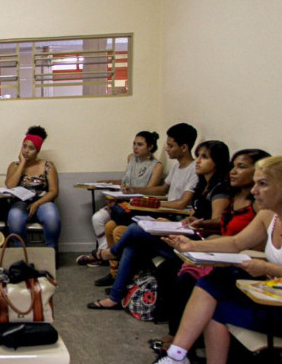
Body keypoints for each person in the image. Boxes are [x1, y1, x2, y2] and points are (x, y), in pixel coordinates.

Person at [135, 155, 282, 364]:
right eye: (256, 183)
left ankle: (187, 363)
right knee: (214, 283)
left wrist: (266, 267)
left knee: (217, 300)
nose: (255, 190)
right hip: (273, 299)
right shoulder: (268, 217)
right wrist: (191, 245)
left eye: (263, 184)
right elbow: (236, 242)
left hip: (281, 307)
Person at [87, 140, 231, 309]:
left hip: (195, 244)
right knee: (132, 245)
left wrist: (190, 224)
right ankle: (115, 298)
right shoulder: (203, 186)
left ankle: (111, 253)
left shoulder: (220, 189)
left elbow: (217, 222)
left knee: (134, 229)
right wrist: (174, 223)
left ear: (218, 162)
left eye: (204, 157)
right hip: (183, 232)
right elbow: (195, 214)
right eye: (198, 155)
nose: (198, 161)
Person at [159, 149, 271, 345]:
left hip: (244, 262)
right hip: (226, 252)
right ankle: (179, 342)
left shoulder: (262, 207)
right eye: (233, 166)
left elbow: (243, 241)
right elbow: (231, 232)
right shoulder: (233, 195)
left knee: (193, 281)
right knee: (170, 270)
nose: (234, 171)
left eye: (241, 167)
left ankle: (181, 343)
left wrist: (197, 243)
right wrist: (203, 226)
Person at [91, 123, 200, 288]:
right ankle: (114, 274)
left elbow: (182, 203)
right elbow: (163, 189)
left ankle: (125, 275)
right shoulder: (177, 167)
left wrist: (153, 205)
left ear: (184, 147)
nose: (166, 150)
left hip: (173, 217)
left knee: (120, 230)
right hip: (164, 212)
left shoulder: (193, 170)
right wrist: (136, 191)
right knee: (110, 225)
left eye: (170, 146)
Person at [76, 131, 163, 267]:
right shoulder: (131, 158)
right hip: (120, 201)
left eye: (140, 145)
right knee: (97, 218)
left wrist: (131, 191)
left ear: (150, 147)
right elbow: (125, 182)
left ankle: (102, 255)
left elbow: (149, 192)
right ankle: (103, 252)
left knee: (113, 222)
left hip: (136, 205)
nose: (135, 147)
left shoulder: (157, 166)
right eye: (134, 144)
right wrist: (110, 182)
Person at [5, 125, 61, 252]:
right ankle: (22, 253)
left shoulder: (48, 166)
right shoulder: (14, 166)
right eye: (24, 146)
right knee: (14, 216)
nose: (26, 151)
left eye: (31, 148)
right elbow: (10, 186)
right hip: (20, 203)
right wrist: (22, 163)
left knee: (52, 216)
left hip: (43, 202)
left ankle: (51, 253)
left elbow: (54, 191)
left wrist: (37, 203)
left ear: (37, 151)